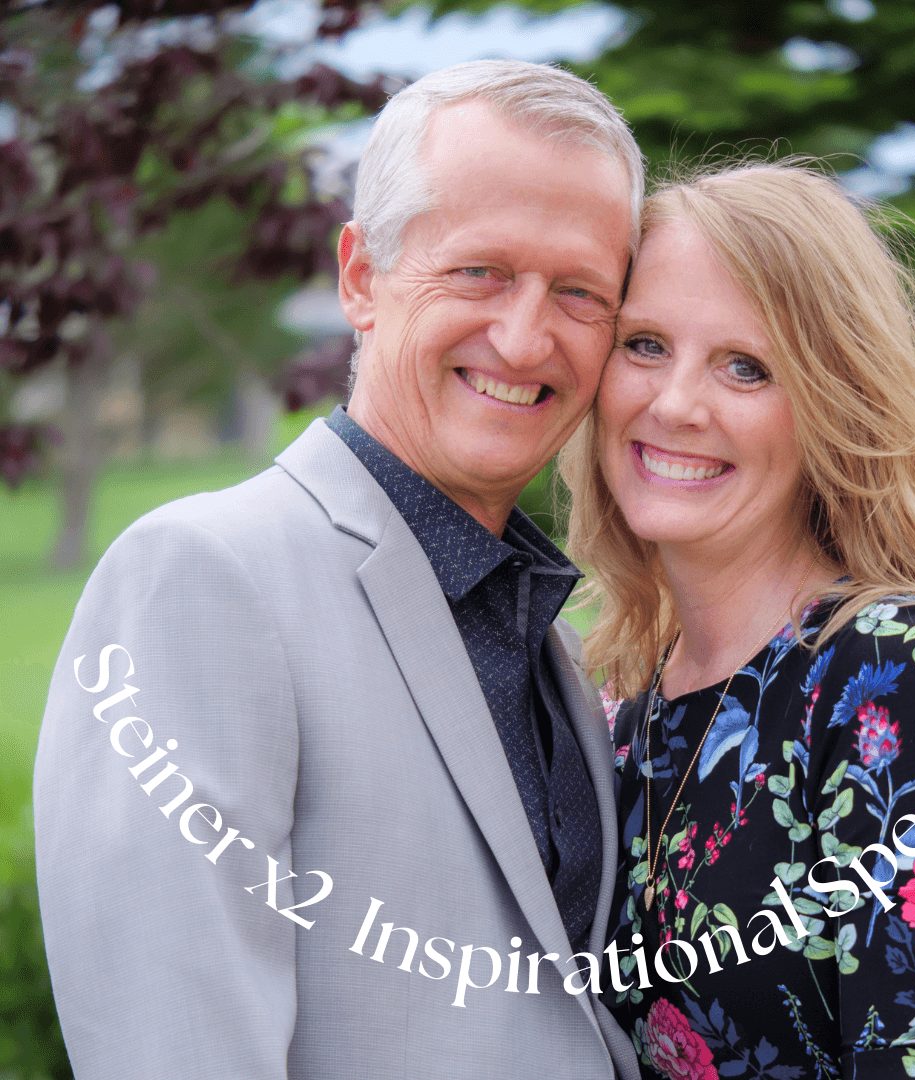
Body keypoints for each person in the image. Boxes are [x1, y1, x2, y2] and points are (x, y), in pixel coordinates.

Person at [35, 60, 645, 1080]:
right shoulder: (201, 581)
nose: (525, 336)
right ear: (360, 277)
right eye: (479, 272)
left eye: (579, 291)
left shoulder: (558, 651)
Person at [559, 160, 915, 1080]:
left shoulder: (902, 677)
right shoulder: (627, 700)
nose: (674, 404)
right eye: (645, 345)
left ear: (834, 401)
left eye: (745, 367)